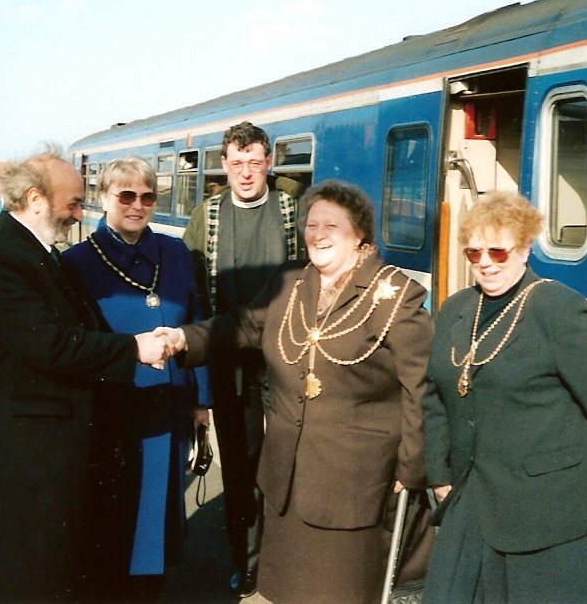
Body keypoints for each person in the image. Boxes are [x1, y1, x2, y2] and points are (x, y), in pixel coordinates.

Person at [166, 180, 433, 604]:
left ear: (360, 232)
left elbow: (421, 388)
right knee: (288, 590)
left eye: (333, 225)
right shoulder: (289, 283)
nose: (319, 234)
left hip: (354, 482)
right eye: (312, 224)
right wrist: (180, 340)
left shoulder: (396, 295)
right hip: (289, 475)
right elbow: (242, 326)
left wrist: (412, 467)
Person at [0, 148, 176, 604]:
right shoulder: (0, 259)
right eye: (72, 202)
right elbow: (50, 344)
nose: (78, 212)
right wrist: (135, 348)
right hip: (17, 456)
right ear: (35, 199)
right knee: (24, 580)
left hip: (35, 448)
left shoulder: (32, 251)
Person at [421, 191, 587, 604]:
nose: (485, 262)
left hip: (552, 506)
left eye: (498, 251)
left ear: (524, 248)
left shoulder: (557, 307)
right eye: (474, 252)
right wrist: (439, 472)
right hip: (474, 494)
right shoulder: (455, 309)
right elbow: (435, 396)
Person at [61, 157, 212, 602]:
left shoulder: (176, 253)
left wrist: (201, 401)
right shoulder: (76, 262)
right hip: (112, 410)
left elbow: (198, 322)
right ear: (103, 198)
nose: (138, 205)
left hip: (168, 405)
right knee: (114, 516)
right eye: (126, 196)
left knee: (159, 514)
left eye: (148, 197)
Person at [180, 121, 301, 598]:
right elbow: (191, 294)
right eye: (237, 164)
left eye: (255, 163)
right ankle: (245, 560)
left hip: (286, 361)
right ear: (224, 165)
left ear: (268, 164)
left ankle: (286, 555)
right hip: (229, 365)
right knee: (240, 463)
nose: (246, 173)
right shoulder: (204, 216)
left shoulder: (294, 210)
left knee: (292, 458)